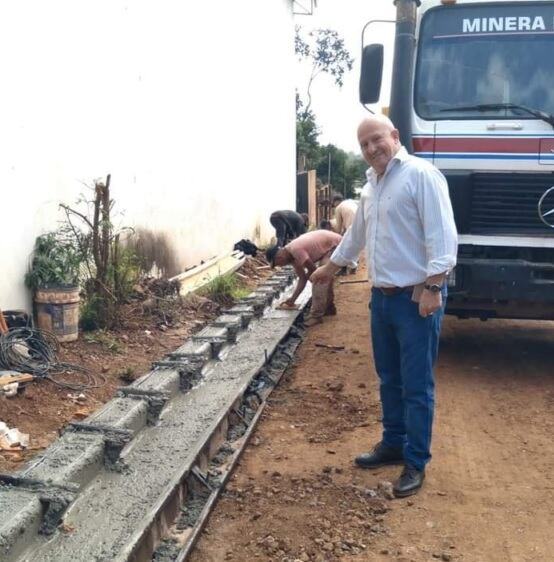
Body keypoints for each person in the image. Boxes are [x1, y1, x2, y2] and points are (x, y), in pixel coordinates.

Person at [310, 115, 458, 498]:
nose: (372, 148)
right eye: (364, 144)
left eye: (377, 139)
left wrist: (433, 286)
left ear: (394, 136)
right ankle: (393, 442)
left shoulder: (421, 175)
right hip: (382, 299)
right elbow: (356, 234)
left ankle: (415, 460)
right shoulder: (371, 187)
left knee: (416, 384)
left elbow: (443, 236)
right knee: (389, 378)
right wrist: (330, 267)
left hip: (415, 298)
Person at [265, 230, 345, 326]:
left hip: (336, 245)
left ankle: (316, 316)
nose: (281, 265)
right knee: (323, 276)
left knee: (319, 278)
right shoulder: (293, 258)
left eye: (278, 264)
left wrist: (310, 277)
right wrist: (292, 299)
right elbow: (302, 279)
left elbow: (313, 270)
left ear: (279, 257)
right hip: (328, 248)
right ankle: (329, 308)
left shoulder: (295, 249)